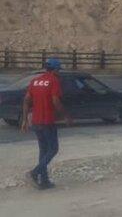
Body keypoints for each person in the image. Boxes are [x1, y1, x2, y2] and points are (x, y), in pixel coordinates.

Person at [20, 58, 72, 189]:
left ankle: (44, 181)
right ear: (55, 69)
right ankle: (34, 173)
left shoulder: (35, 81)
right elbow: (55, 101)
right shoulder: (54, 81)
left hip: (36, 121)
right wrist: (66, 116)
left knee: (43, 151)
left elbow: (26, 100)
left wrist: (25, 120)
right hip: (47, 121)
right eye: (58, 69)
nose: (59, 71)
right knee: (53, 149)